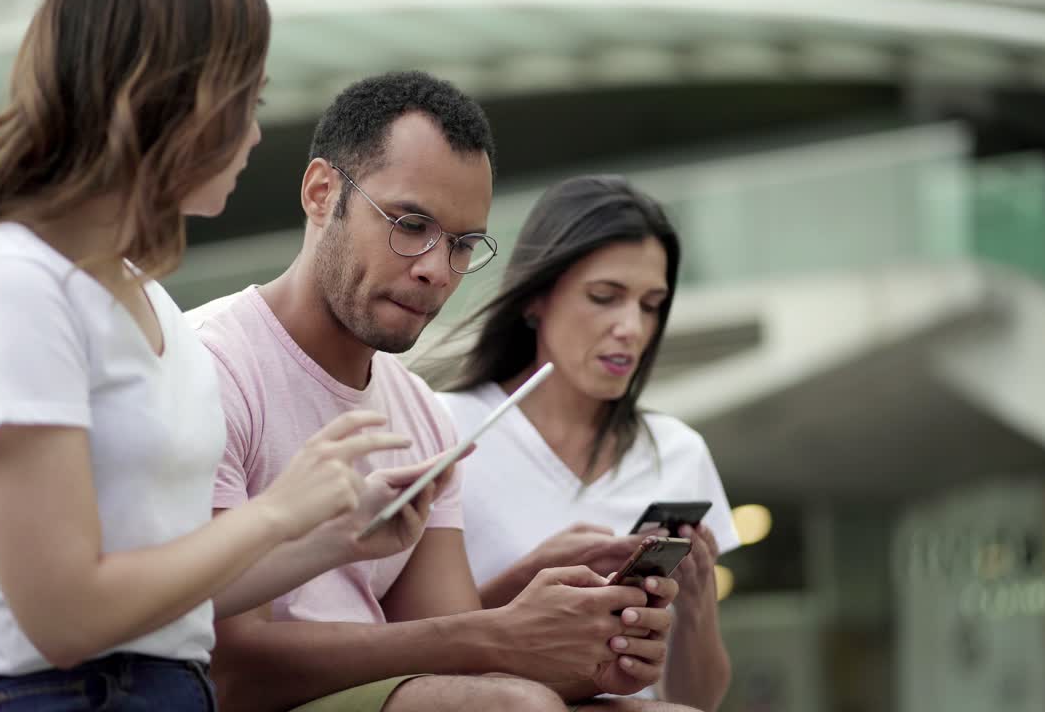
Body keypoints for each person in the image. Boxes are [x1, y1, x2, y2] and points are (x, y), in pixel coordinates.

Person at [0, 0, 423, 710]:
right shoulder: (10, 285)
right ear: (175, 99)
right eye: (247, 101)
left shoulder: (150, 302)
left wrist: (334, 537)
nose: (255, 134)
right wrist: (274, 513)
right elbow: (66, 618)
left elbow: (170, 598)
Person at [190, 72, 696, 712]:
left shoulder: (422, 416)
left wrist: (590, 653)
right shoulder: (210, 367)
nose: (436, 269)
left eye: (462, 244)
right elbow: (228, 670)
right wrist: (501, 632)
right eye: (410, 224)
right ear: (321, 193)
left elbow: (453, 647)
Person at [435, 175, 741, 711]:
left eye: (651, 305)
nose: (632, 328)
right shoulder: (445, 429)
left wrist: (695, 603)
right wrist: (523, 584)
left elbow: (697, 701)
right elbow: (402, 649)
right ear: (535, 298)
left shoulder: (679, 453)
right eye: (605, 297)